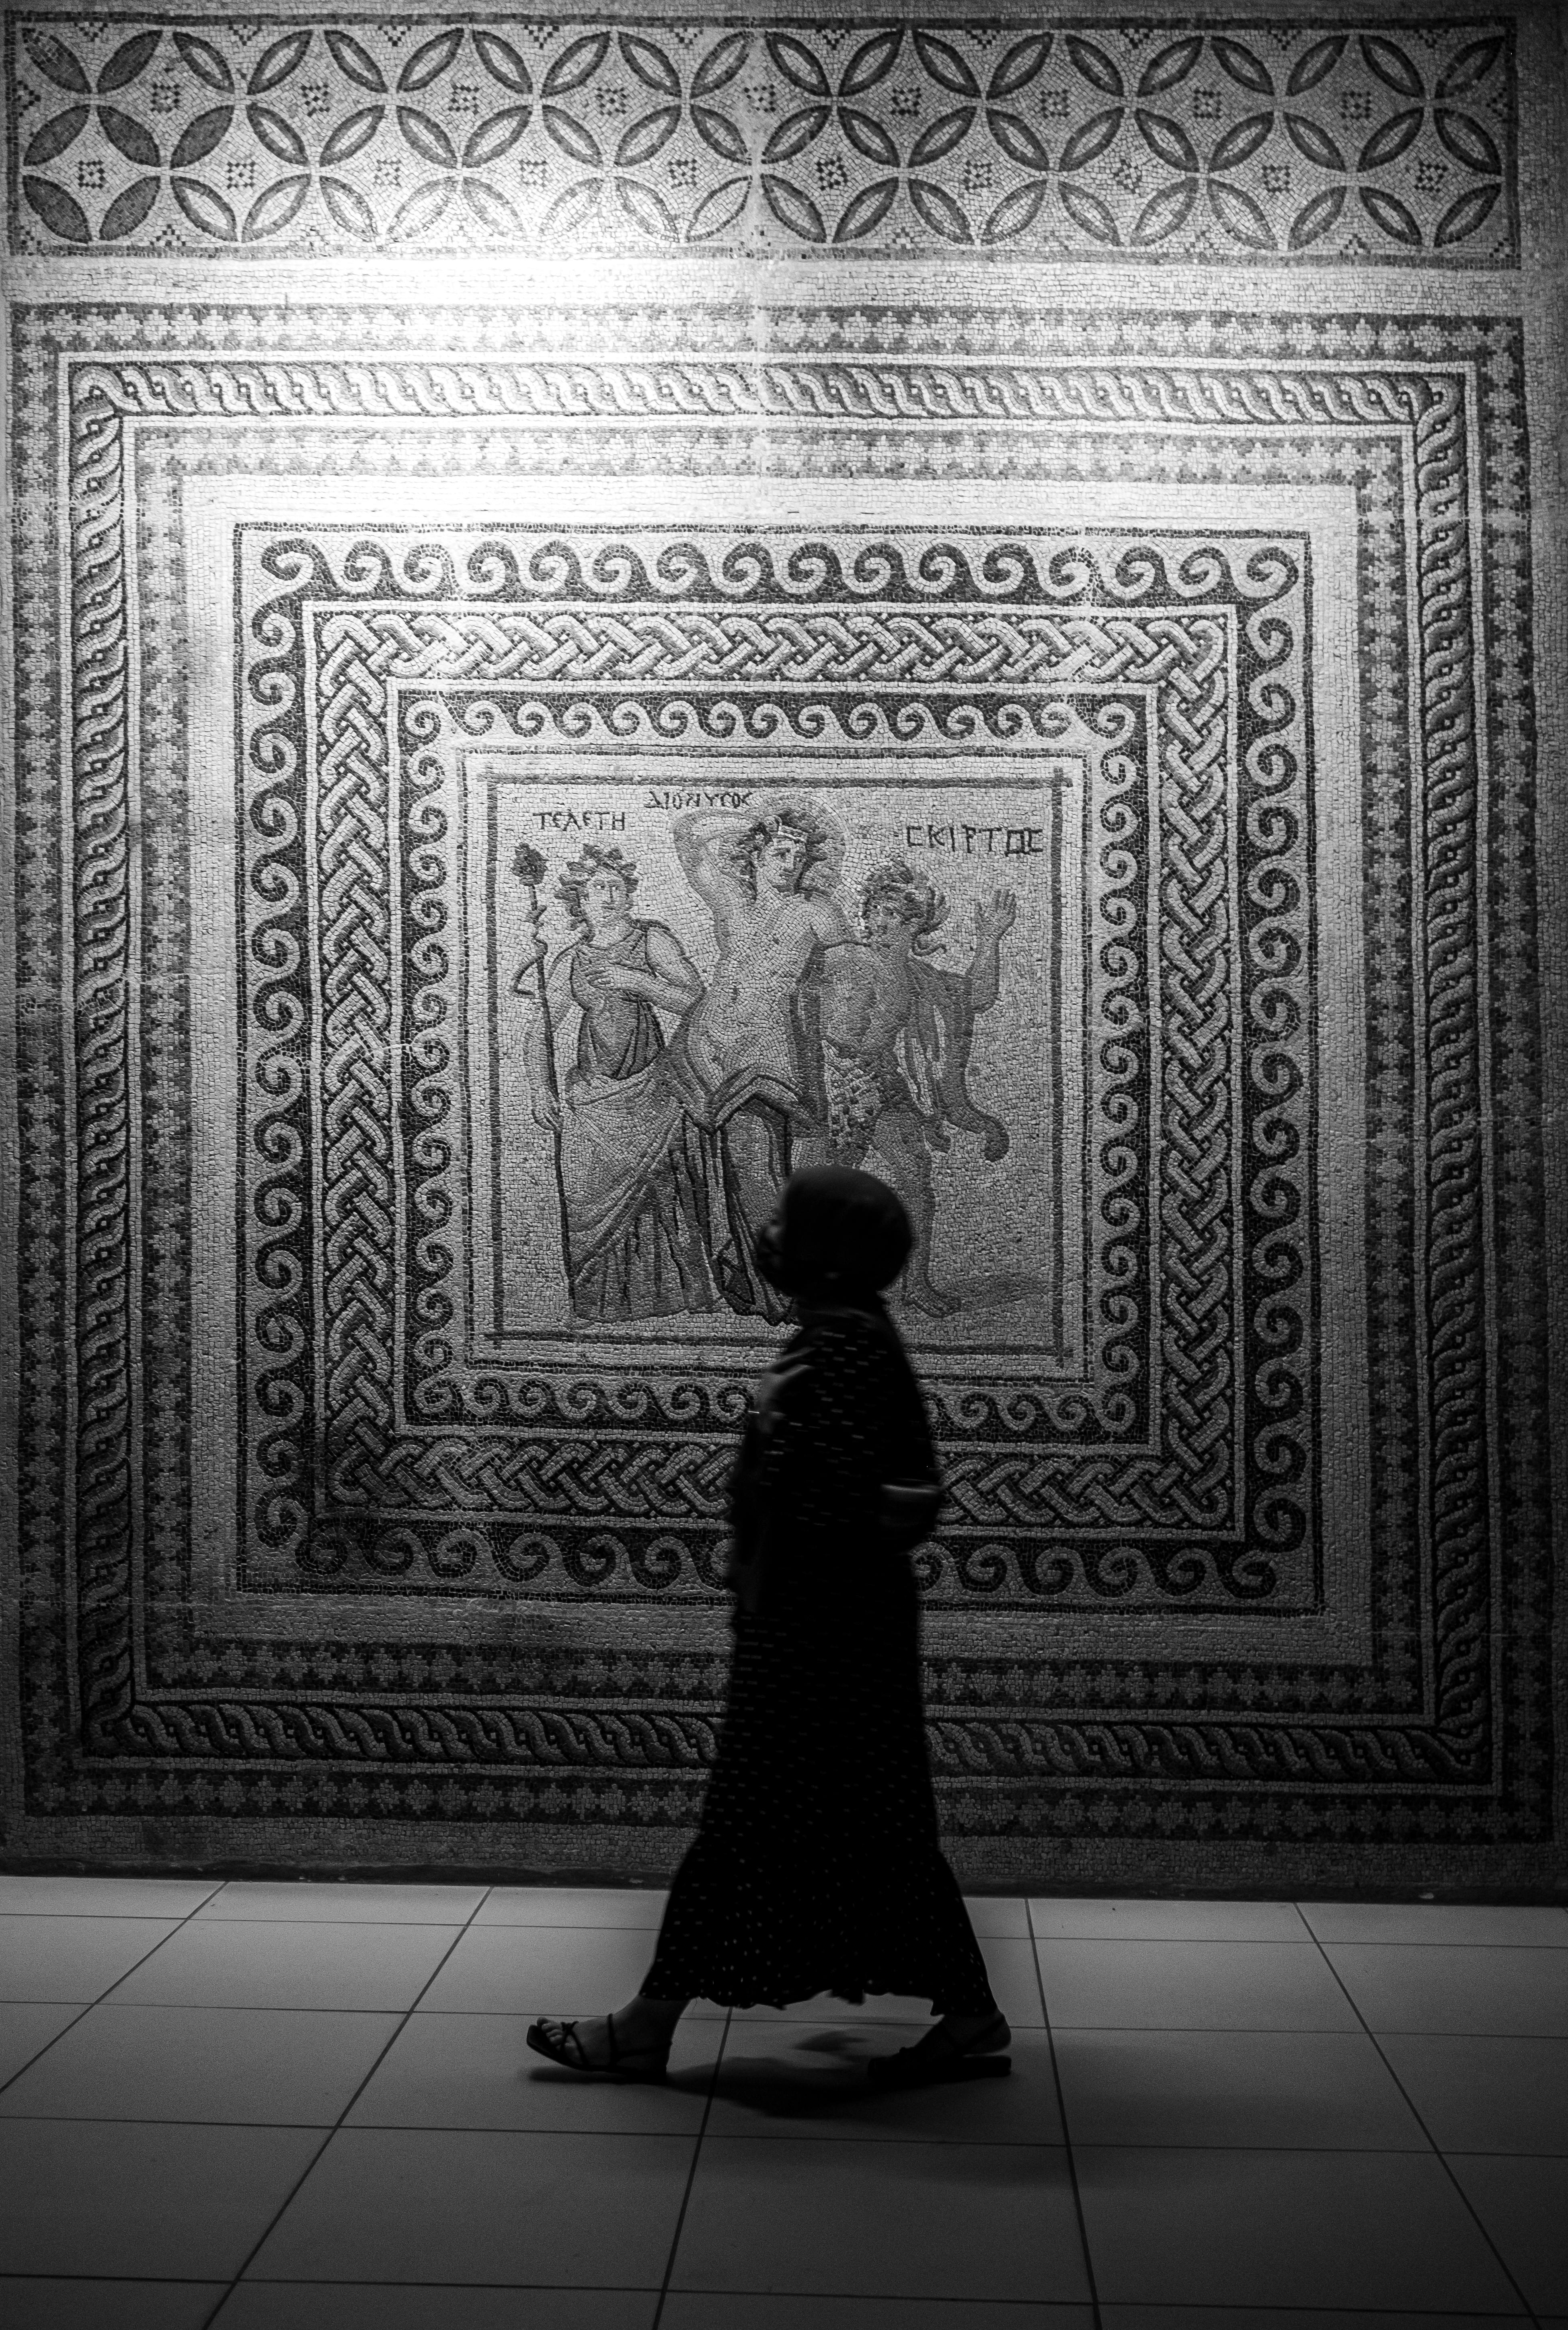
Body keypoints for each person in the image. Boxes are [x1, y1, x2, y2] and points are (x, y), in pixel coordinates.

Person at [525, 1167, 1010, 2088]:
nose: (769, 1233)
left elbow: (826, 1506)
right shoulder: (842, 1336)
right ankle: (972, 2015)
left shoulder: (842, 1350)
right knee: (876, 1826)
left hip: (817, 1638)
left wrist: (774, 1578)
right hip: (835, 1631)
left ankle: (645, 2025)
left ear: (824, 1249)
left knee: (750, 1824)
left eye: (788, 1221)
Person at [808, 863, 1016, 1315]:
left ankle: (915, 1284)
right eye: (875, 912)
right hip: (825, 1079)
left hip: (879, 1081)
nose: (880, 924)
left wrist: (991, 939)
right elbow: (784, 991)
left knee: (916, 1178)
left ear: (918, 924)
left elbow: (977, 995)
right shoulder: (840, 957)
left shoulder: (922, 979)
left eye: (896, 917)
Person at [515, 843, 711, 1319]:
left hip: (652, 1092)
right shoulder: (569, 961)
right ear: (578, 901)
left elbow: (700, 1003)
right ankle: (600, 1303)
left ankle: (672, 1298)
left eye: (614, 887)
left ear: (628, 895)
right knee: (582, 1195)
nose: (605, 895)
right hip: (591, 1096)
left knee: (662, 1191)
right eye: (595, 888)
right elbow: (541, 1027)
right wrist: (542, 1087)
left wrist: (640, 982)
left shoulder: (651, 941)